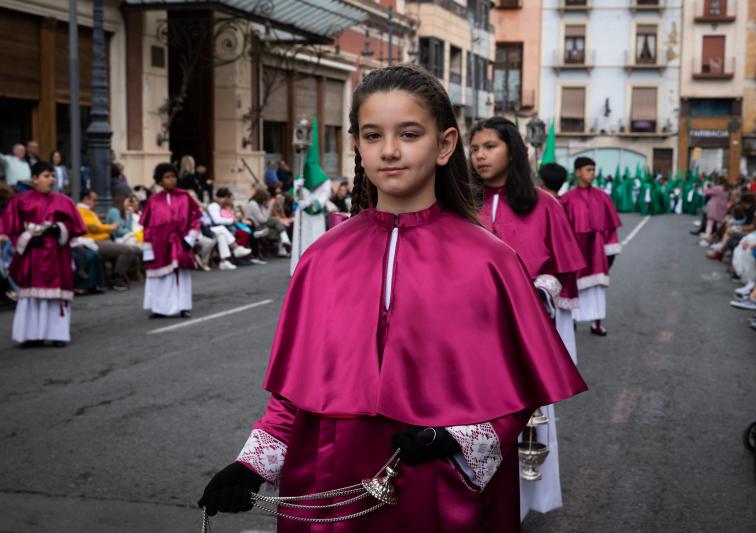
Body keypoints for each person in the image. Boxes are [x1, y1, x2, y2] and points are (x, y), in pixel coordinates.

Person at [198, 63, 586, 532]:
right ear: (356, 145)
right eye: (373, 135)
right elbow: (294, 390)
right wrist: (253, 464)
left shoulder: (491, 260)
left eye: (408, 133)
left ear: (444, 145)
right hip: (328, 486)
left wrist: (454, 439)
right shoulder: (322, 257)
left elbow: (514, 397)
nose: (390, 151)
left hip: (438, 491)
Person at [470, 119, 585, 518]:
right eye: (475, 148)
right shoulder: (462, 205)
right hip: (468, 333)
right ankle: (471, 500)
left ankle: (520, 504)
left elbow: (564, 272)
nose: (480, 155)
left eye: (489, 146)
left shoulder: (544, 204)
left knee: (520, 418)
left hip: (523, 331)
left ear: (513, 151)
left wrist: (538, 290)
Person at [0, 162, 86, 347]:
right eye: (47, 176)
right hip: (33, 255)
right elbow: (12, 230)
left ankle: (57, 334)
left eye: (53, 175)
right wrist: (28, 239)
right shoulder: (20, 201)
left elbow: (73, 227)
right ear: (35, 179)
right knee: (32, 297)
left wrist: (59, 228)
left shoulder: (64, 201)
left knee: (56, 297)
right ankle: (31, 335)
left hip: (57, 254)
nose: (52, 179)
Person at [560, 156, 622, 336]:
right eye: (588, 170)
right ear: (578, 172)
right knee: (573, 288)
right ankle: (570, 321)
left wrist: (610, 253)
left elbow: (610, 229)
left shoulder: (603, 197)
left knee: (597, 291)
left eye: (594, 170)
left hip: (596, 253)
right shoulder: (567, 199)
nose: (592, 174)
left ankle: (597, 324)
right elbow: (562, 231)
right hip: (576, 253)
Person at [140, 163, 202, 318]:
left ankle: (183, 306)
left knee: (180, 275)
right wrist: (148, 249)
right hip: (159, 244)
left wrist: (191, 237)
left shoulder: (184, 197)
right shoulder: (153, 201)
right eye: (167, 177)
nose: (171, 180)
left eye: (173, 176)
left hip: (180, 242)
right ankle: (159, 308)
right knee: (160, 277)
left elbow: (195, 218)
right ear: (160, 181)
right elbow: (147, 226)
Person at [290, 118, 331, 275]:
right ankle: (298, 266)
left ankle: (314, 267)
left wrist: (310, 204)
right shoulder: (300, 176)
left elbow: (324, 197)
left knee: (315, 239)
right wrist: (298, 190)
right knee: (301, 239)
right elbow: (295, 195)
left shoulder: (324, 180)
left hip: (314, 214)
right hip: (301, 213)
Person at [77, 190, 141, 291]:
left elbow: (99, 227)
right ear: (86, 199)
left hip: (104, 239)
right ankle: (117, 277)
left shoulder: (89, 211)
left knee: (133, 249)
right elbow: (93, 228)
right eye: (94, 200)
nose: (96, 202)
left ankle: (116, 277)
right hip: (95, 241)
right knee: (128, 250)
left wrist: (128, 216)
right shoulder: (80, 210)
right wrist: (110, 227)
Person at [244, 187, 291, 258]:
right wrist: (269, 206)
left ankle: (284, 246)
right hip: (257, 227)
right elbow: (263, 219)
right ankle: (285, 242)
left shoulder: (259, 204)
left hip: (262, 225)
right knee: (277, 222)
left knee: (279, 225)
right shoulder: (253, 204)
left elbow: (265, 218)